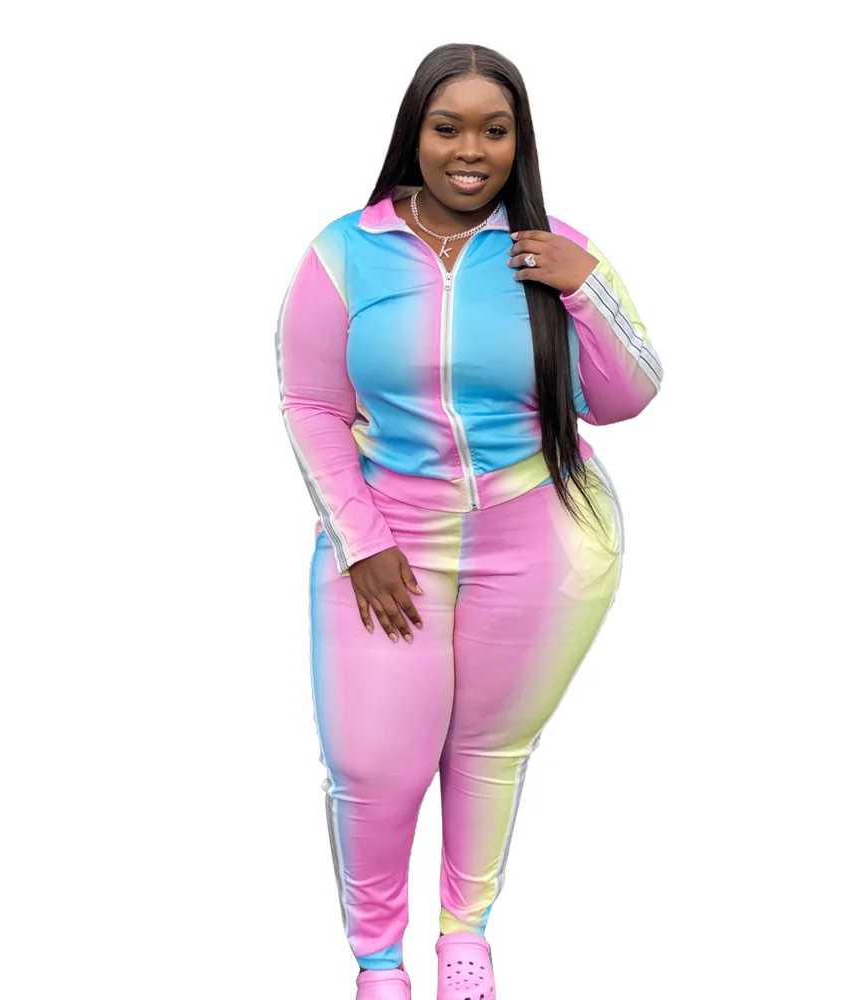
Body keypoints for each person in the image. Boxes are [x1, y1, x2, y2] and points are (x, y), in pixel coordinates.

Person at [274, 42, 663, 1000]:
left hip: (539, 545)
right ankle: (378, 965)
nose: (470, 150)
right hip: (389, 546)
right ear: (415, 132)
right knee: (374, 763)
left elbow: (628, 395)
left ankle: (465, 942)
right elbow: (311, 404)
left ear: (518, 141)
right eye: (448, 127)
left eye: (495, 130)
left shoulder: (550, 247)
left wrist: (581, 284)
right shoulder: (346, 252)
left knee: (488, 751)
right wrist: (362, 542)